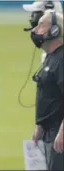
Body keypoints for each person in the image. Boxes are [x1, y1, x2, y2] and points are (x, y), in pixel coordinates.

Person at [30, 10, 63, 170]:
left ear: (55, 30)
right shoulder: (51, 57)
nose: (35, 30)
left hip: (59, 131)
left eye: (41, 25)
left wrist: (62, 132)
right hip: (48, 132)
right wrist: (39, 126)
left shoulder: (62, 59)